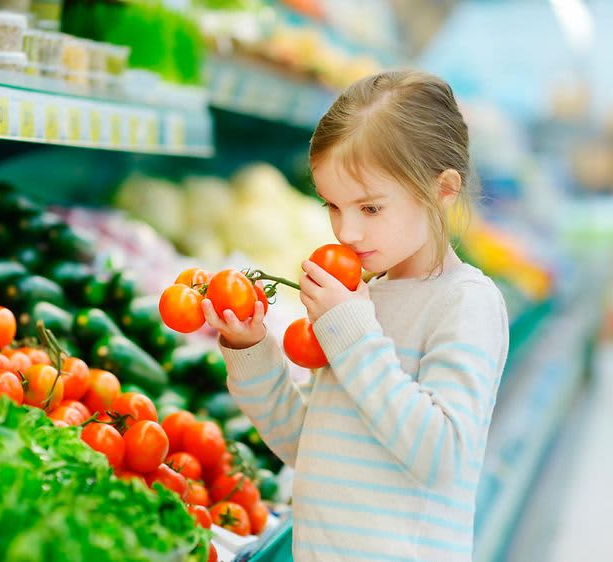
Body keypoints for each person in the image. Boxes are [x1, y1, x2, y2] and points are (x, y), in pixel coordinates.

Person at [201, 70, 509, 561]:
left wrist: (353, 333)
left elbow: (443, 455)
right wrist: (251, 349)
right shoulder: (362, 299)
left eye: (369, 208)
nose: (347, 232)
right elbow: (311, 446)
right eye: (333, 206)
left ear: (442, 190)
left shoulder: (466, 302)